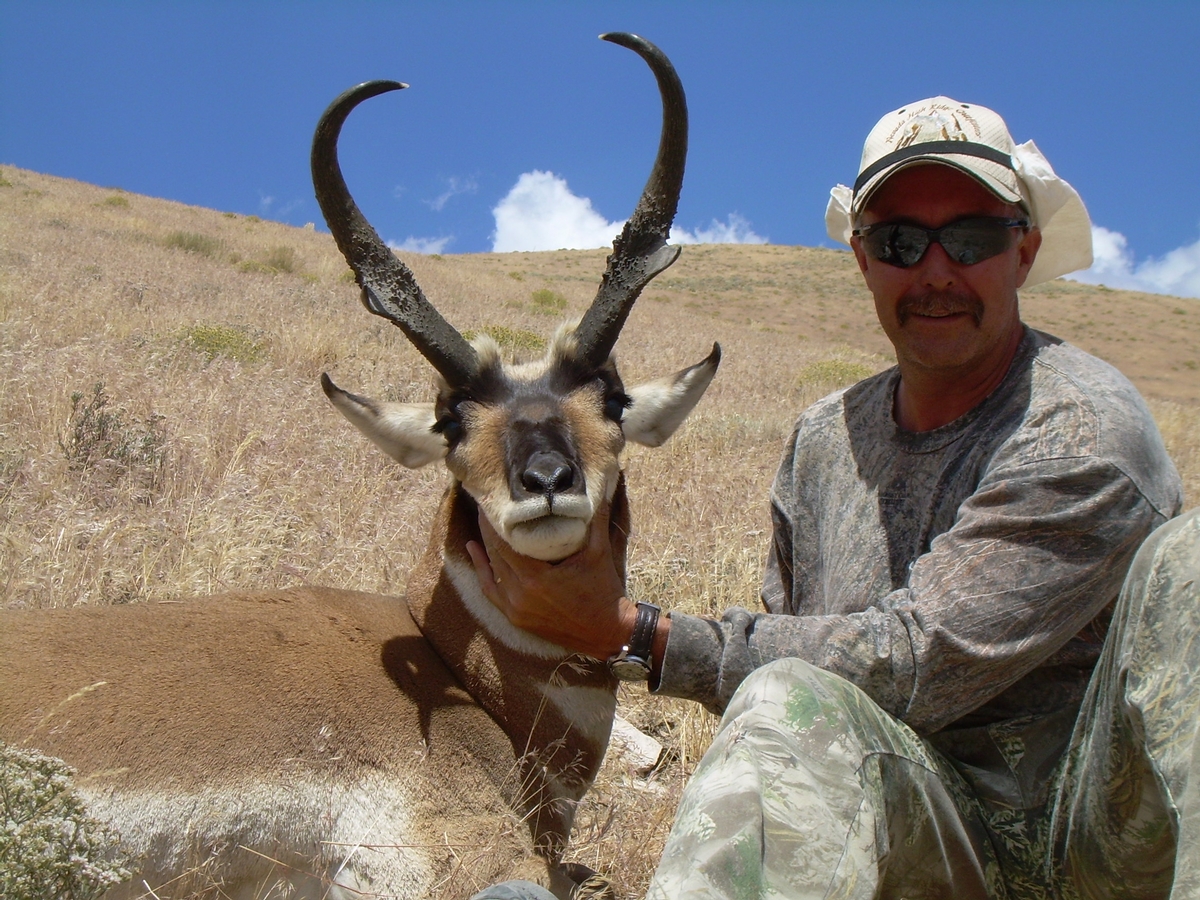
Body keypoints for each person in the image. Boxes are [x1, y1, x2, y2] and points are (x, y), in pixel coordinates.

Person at [467, 97, 1189, 898]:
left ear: (1025, 251)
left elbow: (917, 659)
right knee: (791, 697)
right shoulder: (824, 439)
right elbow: (787, 676)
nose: (936, 271)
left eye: (974, 237)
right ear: (862, 258)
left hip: (1100, 859)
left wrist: (632, 632)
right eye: (900, 241)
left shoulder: (1080, 428)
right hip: (925, 845)